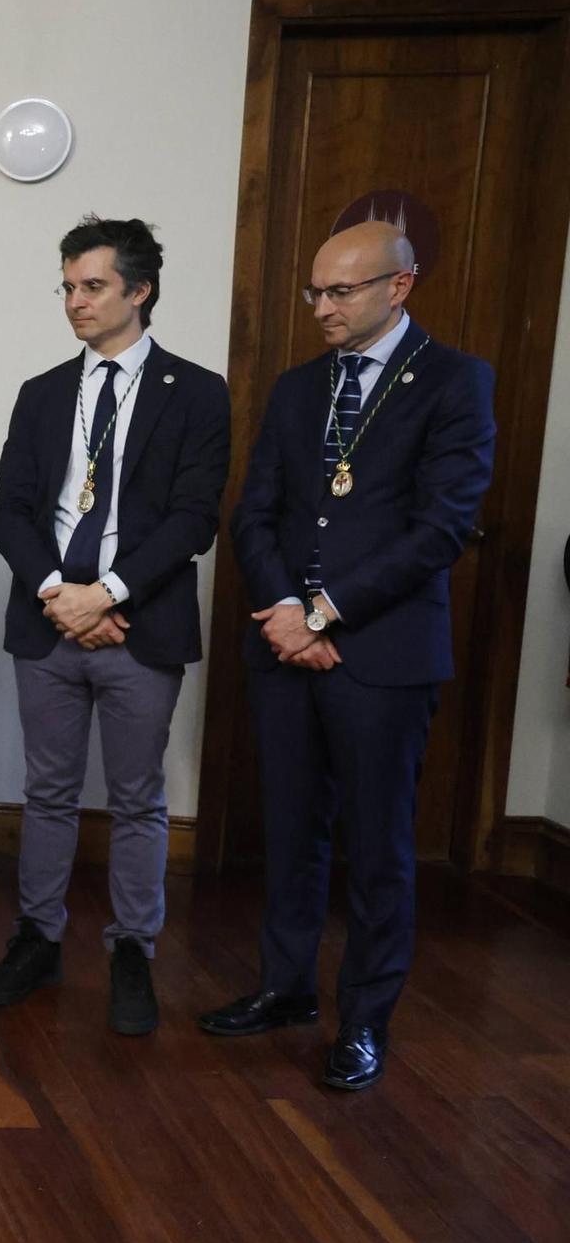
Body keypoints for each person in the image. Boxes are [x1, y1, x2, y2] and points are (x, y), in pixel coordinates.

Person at [200, 220, 494, 1091]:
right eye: (314, 292)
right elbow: (254, 512)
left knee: (377, 847)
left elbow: (441, 526)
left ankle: (365, 1018)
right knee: (290, 830)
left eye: (341, 292)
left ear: (397, 288)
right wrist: (287, 610)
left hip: (381, 654)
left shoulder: (455, 381)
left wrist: (325, 613)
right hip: (286, 646)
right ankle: (287, 986)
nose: (322, 308)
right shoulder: (298, 388)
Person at [0, 216, 231, 1035]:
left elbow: (196, 516)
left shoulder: (196, 392)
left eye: (92, 286)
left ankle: (131, 951)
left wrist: (110, 593)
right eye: (68, 286)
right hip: (49, 621)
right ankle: (38, 938)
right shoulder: (43, 392)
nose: (75, 302)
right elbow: (9, 509)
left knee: (138, 798)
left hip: (140, 626)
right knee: (47, 791)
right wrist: (61, 591)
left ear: (139, 289)